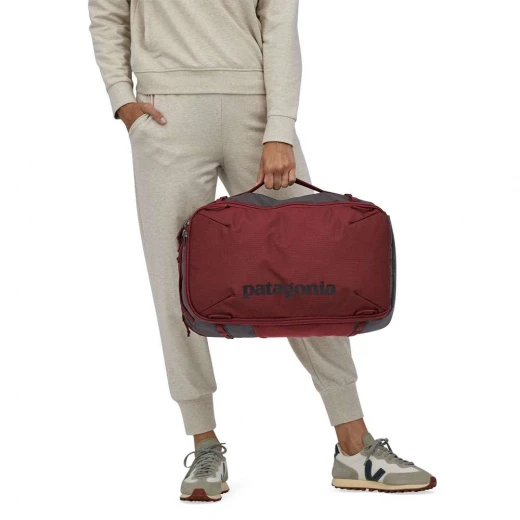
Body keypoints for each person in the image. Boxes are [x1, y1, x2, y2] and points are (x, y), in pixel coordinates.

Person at [88, 0, 436, 501]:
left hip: (255, 109)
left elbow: (279, 24)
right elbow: (107, 13)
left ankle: (353, 445)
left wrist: (280, 127)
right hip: (165, 115)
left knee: (306, 272)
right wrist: (122, 100)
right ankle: (204, 443)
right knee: (173, 283)